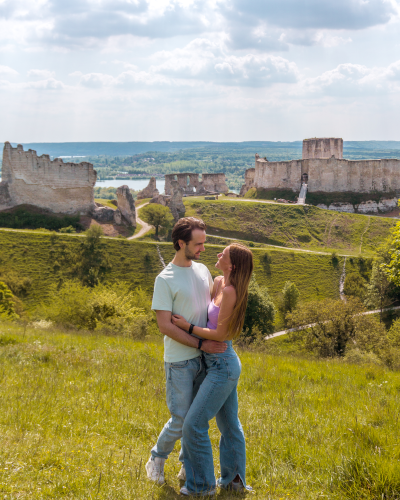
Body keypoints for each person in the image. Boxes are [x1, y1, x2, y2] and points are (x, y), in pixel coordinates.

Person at [145, 217, 227, 485]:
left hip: (206, 360)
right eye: (198, 243)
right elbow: (164, 326)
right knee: (180, 420)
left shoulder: (203, 270)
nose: (203, 248)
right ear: (181, 243)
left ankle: (187, 466)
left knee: (196, 421)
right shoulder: (164, 279)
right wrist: (201, 343)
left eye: (204, 242)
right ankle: (156, 459)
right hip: (180, 362)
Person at [172, 243, 253, 496]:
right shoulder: (219, 283)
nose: (218, 255)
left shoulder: (231, 291)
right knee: (230, 424)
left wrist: (187, 327)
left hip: (223, 364)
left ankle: (202, 486)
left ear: (233, 265)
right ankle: (234, 482)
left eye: (223, 255)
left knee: (194, 424)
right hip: (216, 362)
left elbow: (220, 333)